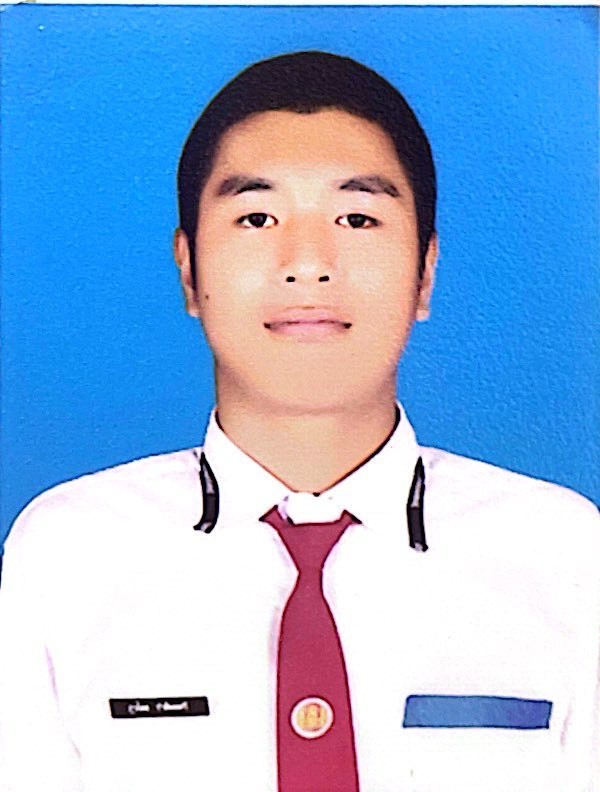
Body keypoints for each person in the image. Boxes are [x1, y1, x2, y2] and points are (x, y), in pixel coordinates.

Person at [0, 50, 598, 792]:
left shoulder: (566, 552)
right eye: (256, 217)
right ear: (189, 271)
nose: (308, 263)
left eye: (357, 217)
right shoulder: (69, 551)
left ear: (425, 272)